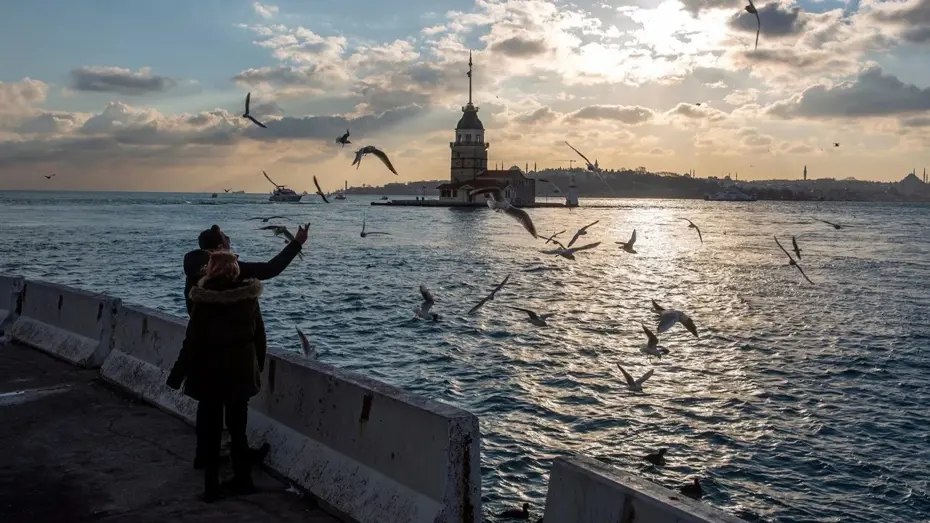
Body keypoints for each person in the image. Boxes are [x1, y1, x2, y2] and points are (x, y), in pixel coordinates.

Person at [175, 223, 307, 470]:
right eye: (226, 240)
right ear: (218, 248)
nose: (230, 242)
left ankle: (205, 458)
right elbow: (270, 268)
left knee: (208, 408)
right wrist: (297, 242)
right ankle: (241, 459)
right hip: (232, 355)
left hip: (204, 351)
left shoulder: (193, 268)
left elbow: (193, 327)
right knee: (236, 409)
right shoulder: (228, 271)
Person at [168, 251, 267, 501]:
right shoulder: (249, 298)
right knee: (238, 429)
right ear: (235, 270)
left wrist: (177, 374)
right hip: (241, 372)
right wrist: (258, 366)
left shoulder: (203, 300)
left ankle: (212, 486)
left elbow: (192, 341)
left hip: (209, 372)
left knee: (212, 432)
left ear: (211, 270)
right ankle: (243, 479)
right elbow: (260, 337)